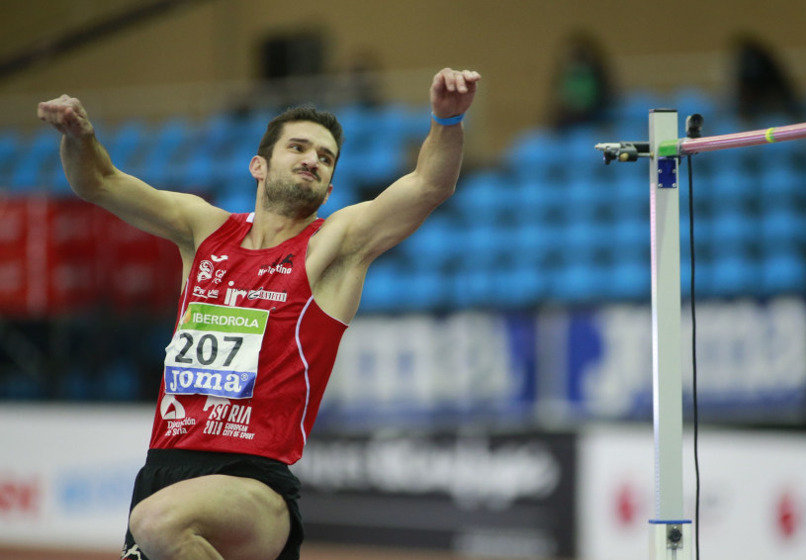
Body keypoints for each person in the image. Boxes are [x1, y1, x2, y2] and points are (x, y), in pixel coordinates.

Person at [37, 67, 481, 560]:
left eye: (326, 157)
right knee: (159, 519)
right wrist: (80, 136)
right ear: (259, 166)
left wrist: (448, 119)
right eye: (298, 148)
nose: (313, 159)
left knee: (157, 522)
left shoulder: (332, 246)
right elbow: (99, 181)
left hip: (253, 481)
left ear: (331, 188)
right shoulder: (203, 230)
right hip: (163, 468)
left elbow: (426, 186)